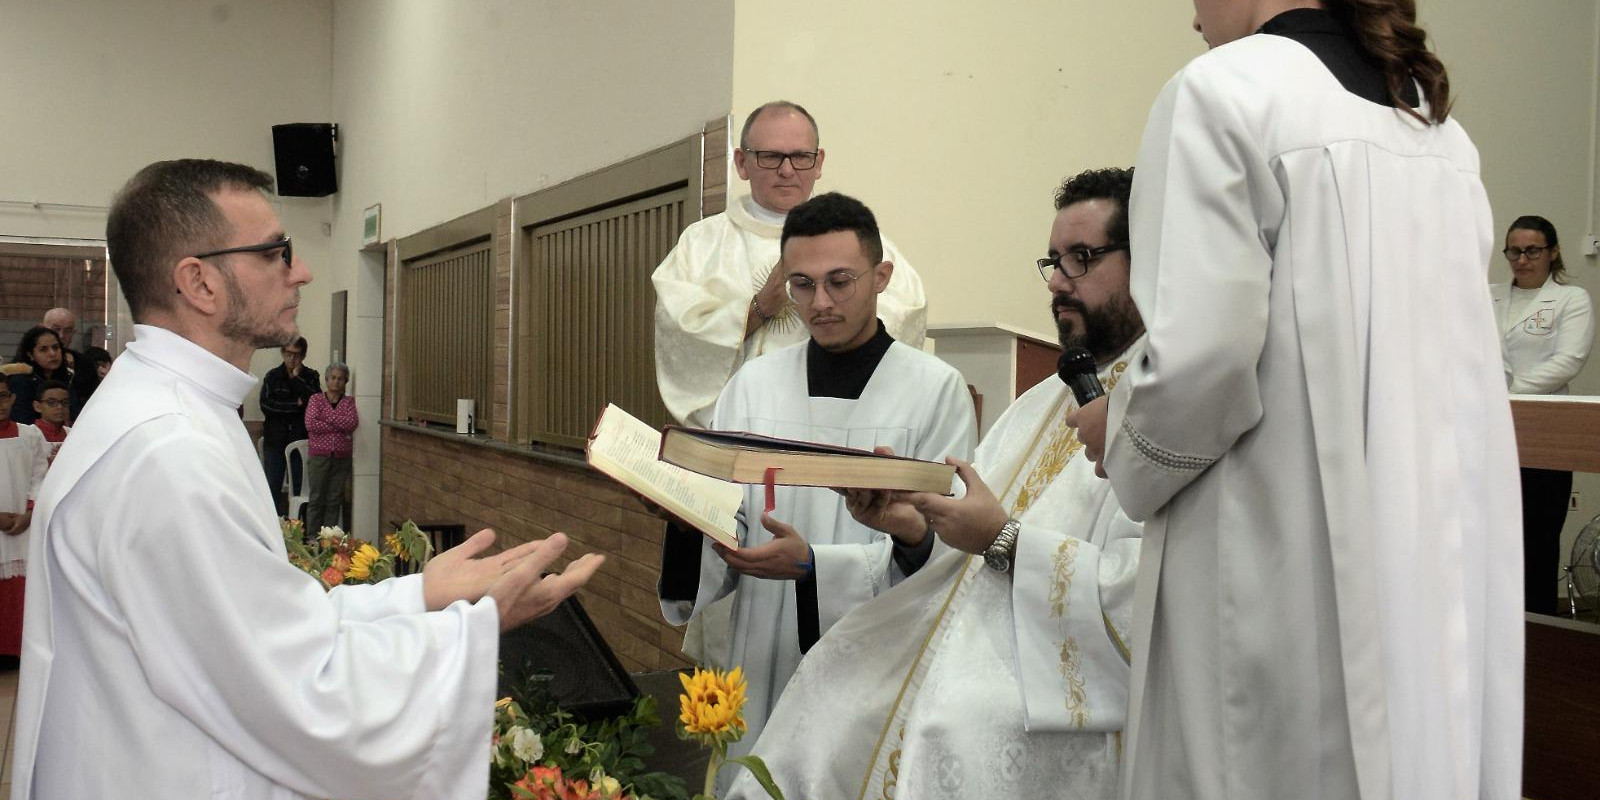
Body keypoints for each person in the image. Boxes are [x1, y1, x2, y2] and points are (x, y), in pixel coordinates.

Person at [12, 158, 605, 800]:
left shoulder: (168, 405)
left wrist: (418, 594)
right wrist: (477, 628)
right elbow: (299, 694)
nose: (302, 271)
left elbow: (265, 630)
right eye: (275, 252)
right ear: (200, 283)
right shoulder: (168, 452)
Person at [1070, 3, 1523, 799]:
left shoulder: (1224, 91)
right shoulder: (1439, 134)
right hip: (1423, 554)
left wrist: (1124, 432)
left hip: (1278, 555)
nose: (1193, 17)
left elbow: (1201, 358)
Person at [731, 169, 1146, 800]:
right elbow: (961, 556)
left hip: (1044, 683)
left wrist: (1006, 540)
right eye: (1053, 260)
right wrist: (911, 533)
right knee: (833, 677)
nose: (1058, 281)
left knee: (944, 725)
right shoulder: (1040, 403)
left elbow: (1148, 602)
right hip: (956, 640)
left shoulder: (1167, 419)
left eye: (1082, 259)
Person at [656, 192, 975, 773]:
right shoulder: (754, 385)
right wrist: (685, 518)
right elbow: (729, 517)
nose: (820, 303)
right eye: (801, 285)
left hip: (873, 661)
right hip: (761, 645)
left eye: (839, 282)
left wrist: (814, 568)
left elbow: (947, 552)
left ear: (881, 277)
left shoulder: (935, 390)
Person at [653, 100, 929, 430]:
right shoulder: (701, 245)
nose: (787, 170)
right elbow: (679, 334)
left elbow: (903, 317)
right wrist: (757, 309)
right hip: (733, 435)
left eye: (800, 157)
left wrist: (831, 311)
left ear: (818, 162)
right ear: (741, 163)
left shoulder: (861, 241)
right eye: (771, 157)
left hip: (832, 430)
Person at [1491, 214, 1595, 615]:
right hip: (1489, 428)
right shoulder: (1487, 296)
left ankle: (1536, 622)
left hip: (1544, 429)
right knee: (1492, 535)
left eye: (1532, 250)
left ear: (1553, 252)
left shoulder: (1571, 299)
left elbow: (1568, 361)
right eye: (1514, 251)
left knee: (1537, 535)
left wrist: (1505, 394)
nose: (1522, 259)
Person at [0, 381, 49, 660]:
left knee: (20, 594)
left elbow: (40, 476)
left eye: (3, 396)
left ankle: (17, 651)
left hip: (23, 525)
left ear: (12, 398)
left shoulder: (30, 435)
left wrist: (30, 513)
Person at [261, 336, 320, 517]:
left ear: (303, 356)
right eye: (288, 354)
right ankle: (273, 524)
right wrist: (296, 405)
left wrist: (296, 379)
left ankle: (299, 526)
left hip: (299, 438)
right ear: (282, 353)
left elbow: (314, 403)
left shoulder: (311, 376)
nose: (291, 358)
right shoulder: (272, 376)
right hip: (275, 438)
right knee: (272, 485)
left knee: (300, 488)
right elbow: (267, 406)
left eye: (296, 355)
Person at [303, 361, 358, 534]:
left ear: (345, 381)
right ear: (326, 379)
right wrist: (338, 424)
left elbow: (351, 424)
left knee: (334, 499)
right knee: (317, 498)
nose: (336, 381)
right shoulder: (316, 399)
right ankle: (312, 538)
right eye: (333, 377)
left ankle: (328, 539)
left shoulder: (349, 402)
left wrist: (327, 417)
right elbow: (311, 424)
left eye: (340, 378)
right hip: (319, 456)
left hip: (342, 457)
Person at [4, 326, 73, 426]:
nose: (52, 354)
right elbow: (22, 422)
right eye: (43, 349)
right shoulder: (20, 381)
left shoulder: (68, 376)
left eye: (55, 347)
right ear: (30, 355)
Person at [28, 380, 71, 464]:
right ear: (37, 406)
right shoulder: (28, 434)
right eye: (52, 402)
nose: (60, 407)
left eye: (65, 402)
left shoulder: (73, 434)